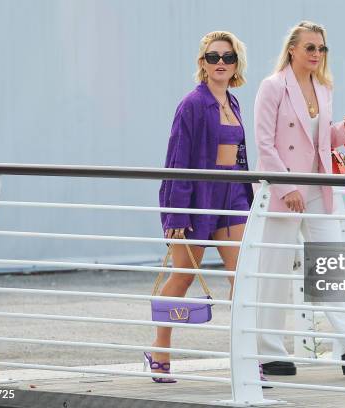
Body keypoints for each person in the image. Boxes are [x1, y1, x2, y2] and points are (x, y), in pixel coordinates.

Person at [253, 21, 345, 376]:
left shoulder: (324, 87)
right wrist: (289, 187)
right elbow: (265, 146)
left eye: (322, 48)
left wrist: (343, 132)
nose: (317, 54)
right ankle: (268, 352)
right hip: (284, 189)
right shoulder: (272, 87)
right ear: (292, 50)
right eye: (310, 47)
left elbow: (317, 141)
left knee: (333, 264)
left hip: (320, 187)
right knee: (275, 271)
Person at [147, 31, 254, 383]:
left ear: (236, 64)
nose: (220, 63)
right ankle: (159, 349)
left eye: (227, 57)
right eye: (213, 57)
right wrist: (176, 213)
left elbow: (239, 158)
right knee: (183, 276)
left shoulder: (234, 102)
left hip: (233, 197)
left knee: (241, 276)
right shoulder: (192, 104)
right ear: (202, 63)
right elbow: (177, 160)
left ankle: (245, 358)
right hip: (197, 199)